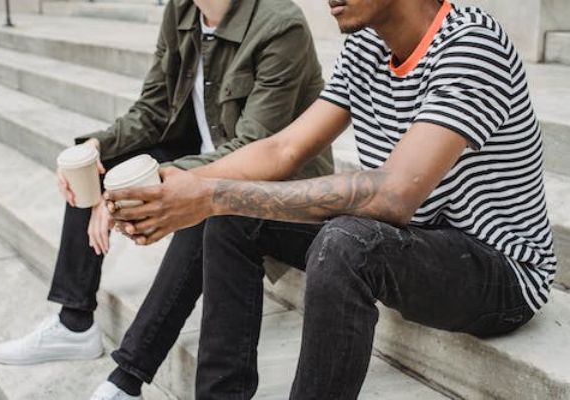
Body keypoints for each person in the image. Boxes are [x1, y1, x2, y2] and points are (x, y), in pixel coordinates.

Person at [107, 0, 558, 398]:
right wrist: (176, 187)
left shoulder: (472, 45)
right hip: (413, 239)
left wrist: (211, 193)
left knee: (346, 243)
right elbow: (283, 149)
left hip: (500, 269)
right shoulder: (366, 46)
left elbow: (394, 195)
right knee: (235, 216)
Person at [0, 0, 332, 399]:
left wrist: (156, 183)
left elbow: (256, 149)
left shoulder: (279, 25)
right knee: (96, 162)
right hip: (209, 154)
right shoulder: (182, 10)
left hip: (277, 185)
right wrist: (96, 146)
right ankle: (74, 321)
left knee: (204, 201)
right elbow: (153, 109)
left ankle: (127, 378)